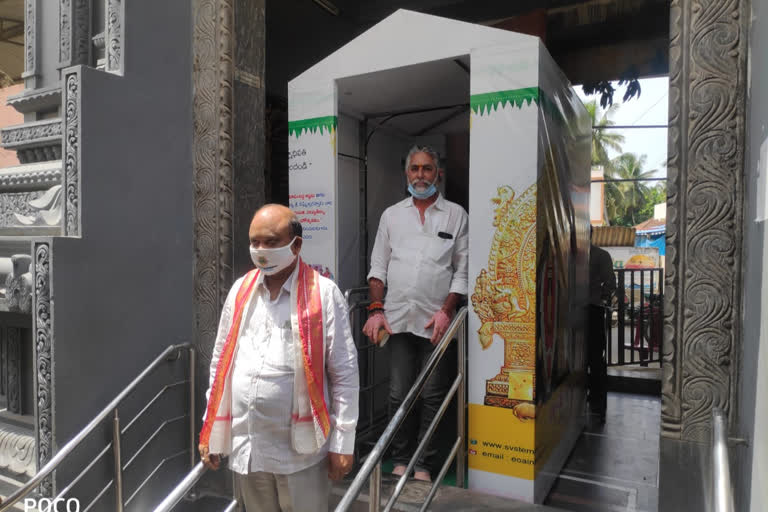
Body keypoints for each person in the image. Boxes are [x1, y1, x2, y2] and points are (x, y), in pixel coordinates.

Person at [199, 204, 359, 512]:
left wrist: (343, 442)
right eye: (254, 242)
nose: (260, 250)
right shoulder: (240, 291)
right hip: (250, 448)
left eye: (270, 242)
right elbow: (221, 362)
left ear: (296, 244)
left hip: (300, 453)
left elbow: (344, 374)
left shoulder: (323, 294)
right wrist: (211, 427)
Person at [363, 145, 468, 482]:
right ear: (406, 173)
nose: (420, 175)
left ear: (438, 172)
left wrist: (446, 311)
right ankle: (401, 458)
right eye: (414, 169)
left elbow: (462, 271)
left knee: (435, 394)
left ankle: (423, 464)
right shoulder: (391, 215)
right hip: (397, 319)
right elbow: (378, 267)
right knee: (399, 393)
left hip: (436, 322)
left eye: (427, 169)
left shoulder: (456, 215)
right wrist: (376, 310)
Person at [588, 228, 617, 423]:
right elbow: (610, 283)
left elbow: (609, 283)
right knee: (595, 358)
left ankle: (597, 401)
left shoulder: (598, 255)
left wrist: (601, 300)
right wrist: (602, 299)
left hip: (587, 311)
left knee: (593, 358)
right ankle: (596, 402)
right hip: (591, 310)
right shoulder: (601, 255)